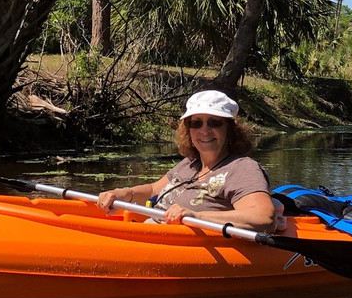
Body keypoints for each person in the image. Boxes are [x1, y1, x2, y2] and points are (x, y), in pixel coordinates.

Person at [97, 90, 283, 232]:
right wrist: (123, 193)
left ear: (230, 129)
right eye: (196, 123)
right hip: (154, 230)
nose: (204, 130)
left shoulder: (242, 168)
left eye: (214, 122)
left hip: (183, 242)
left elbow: (264, 217)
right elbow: (154, 189)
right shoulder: (191, 163)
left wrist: (196, 216)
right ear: (188, 129)